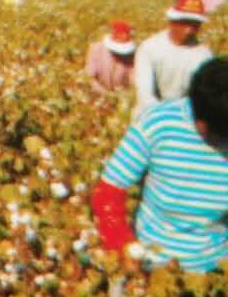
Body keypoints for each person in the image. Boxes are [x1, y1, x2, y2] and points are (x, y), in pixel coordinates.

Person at [92, 57, 228, 273]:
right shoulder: (159, 124)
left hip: (217, 267)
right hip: (153, 263)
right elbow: (109, 191)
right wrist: (122, 244)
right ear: (199, 118)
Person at [133, 0, 212, 120]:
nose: (190, 30)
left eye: (195, 24)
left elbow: (203, 97)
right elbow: (145, 95)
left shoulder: (204, 55)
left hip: (185, 118)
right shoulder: (150, 48)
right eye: (186, 23)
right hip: (149, 116)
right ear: (172, 21)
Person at [84, 20, 136, 92]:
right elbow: (89, 77)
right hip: (97, 94)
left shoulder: (130, 55)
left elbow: (133, 79)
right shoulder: (96, 49)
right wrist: (105, 94)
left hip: (120, 95)